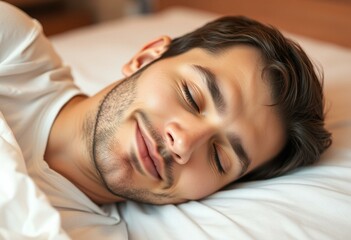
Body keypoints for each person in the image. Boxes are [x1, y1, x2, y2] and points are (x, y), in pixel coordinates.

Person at [0, 1, 331, 237]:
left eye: (219, 157)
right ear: (146, 57)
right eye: (191, 96)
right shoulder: (14, 52)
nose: (184, 143)